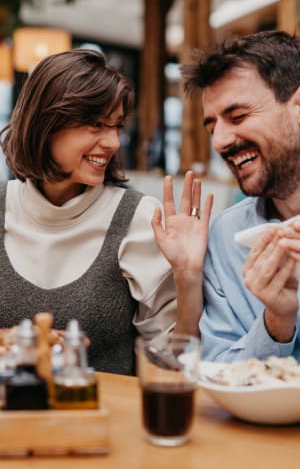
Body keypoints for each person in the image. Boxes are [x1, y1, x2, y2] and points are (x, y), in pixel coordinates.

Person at [0, 48, 204, 376]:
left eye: (117, 126)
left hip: (106, 422)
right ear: (46, 124)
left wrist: (188, 276)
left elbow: (173, 359)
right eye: (95, 124)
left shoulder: (137, 218)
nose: (113, 142)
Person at [152, 30, 300, 363]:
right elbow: (218, 369)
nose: (219, 141)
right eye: (211, 127)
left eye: (238, 117)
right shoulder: (225, 236)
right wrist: (277, 323)